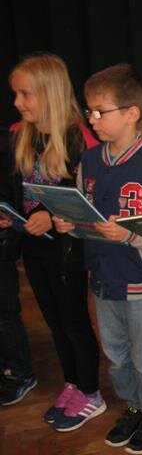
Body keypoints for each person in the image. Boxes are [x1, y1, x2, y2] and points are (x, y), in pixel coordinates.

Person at [53, 63, 142, 453]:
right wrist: (69, 223)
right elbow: (83, 215)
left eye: (99, 111)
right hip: (103, 277)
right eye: (89, 111)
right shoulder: (89, 161)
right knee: (117, 355)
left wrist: (129, 235)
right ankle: (134, 407)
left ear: (131, 113)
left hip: (139, 278)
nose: (92, 119)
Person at [3, 53, 102, 429]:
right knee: (54, 322)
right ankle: (72, 383)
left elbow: (88, 197)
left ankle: (91, 390)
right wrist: (11, 214)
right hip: (34, 245)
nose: (17, 102)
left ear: (50, 93)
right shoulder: (20, 135)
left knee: (73, 320)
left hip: (68, 247)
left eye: (25, 94)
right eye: (16, 94)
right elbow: (17, 189)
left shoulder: (79, 139)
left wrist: (52, 214)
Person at [0, 126, 36, 407]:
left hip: (4, 245)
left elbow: (13, 192)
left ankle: (19, 372)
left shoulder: (7, 143)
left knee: (5, 314)